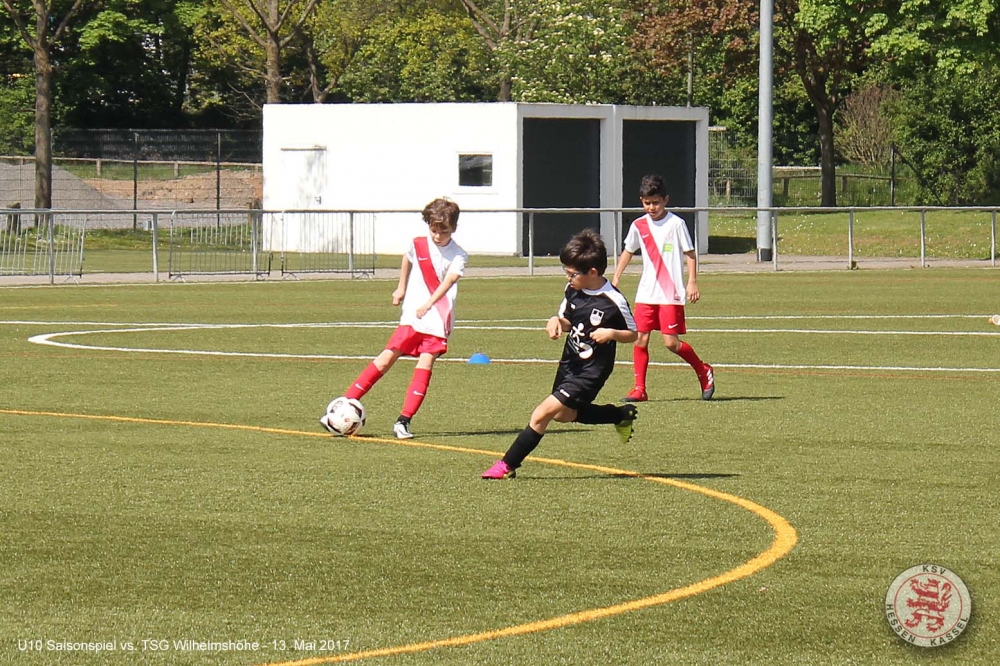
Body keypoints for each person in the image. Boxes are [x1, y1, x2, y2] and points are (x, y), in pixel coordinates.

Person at [482, 229, 638, 480]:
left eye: (572, 273)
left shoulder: (613, 301)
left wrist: (611, 333)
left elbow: (633, 334)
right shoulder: (572, 290)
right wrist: (556, 321)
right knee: (563, 415)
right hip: (570, 363)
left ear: (593, 272)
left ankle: (506, 465)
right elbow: (567, 320)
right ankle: (619, 415)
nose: (568, 278)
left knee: (542, 413)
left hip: (591, 371)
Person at [321, 197, 468, 439]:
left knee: (425, 363)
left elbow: (449, 281)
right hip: (412, 314)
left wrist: (429, 304)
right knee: (387, 357)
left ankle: (403, 421)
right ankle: (345, 404)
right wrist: (401, 287)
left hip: (437, 318)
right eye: (434, 230)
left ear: (454, 228)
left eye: (444, 231)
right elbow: (407, 258)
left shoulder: (458, 255)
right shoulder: (418, 244)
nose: (438, 236)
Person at [610, 174, 714, 402]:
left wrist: (692, 281)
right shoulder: (638, 225)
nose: (651, 207)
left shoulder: (676, 224)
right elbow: (628, 251)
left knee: (671, 343)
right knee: (640, 339)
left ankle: (703, 370)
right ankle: (639, 389)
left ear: (665, 200)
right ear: (641, 201)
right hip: (646, 293)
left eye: (656, 202)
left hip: (670, 293)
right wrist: (616, 277)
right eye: (647, 203)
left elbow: (690, 254)